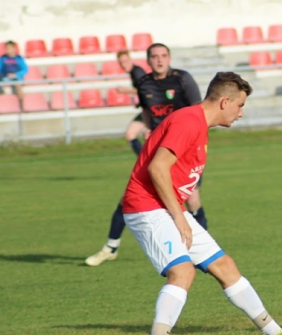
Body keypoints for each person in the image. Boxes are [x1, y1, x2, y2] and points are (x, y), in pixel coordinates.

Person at [123, 72, 282, 335]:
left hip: (167, 207)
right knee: (183, 272)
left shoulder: (198, 124)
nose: (241, 113)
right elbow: (158, 168)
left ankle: (273, 333)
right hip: (148, 208)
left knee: (224, 266)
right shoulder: (188, 121)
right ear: (225, 101)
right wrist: (180, 217)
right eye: (240, 105)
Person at [86, 43, 207, 266]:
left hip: (183, 150)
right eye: (154, 57)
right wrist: (150, 128)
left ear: (169, 58)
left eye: (163, 56)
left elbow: (199, 113)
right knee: (129, 198)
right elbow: (146, 111)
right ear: (148, 61)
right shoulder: (143, 83)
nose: (159, 60)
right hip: (157, 150)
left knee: (192, 200)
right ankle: (111, 247)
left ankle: (201, 250)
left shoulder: (183, 79)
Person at [116, 50, 148, 150]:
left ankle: (146, 162)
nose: (124, 65)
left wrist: (126, 90)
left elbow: (146, 90)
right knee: (131, 134)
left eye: (125, 61)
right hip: (146, 109)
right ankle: (145, 162)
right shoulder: (134, 72)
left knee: (145, 135)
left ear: (130, 60)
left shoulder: (137, 72)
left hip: (151, 110)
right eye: (121, 63)